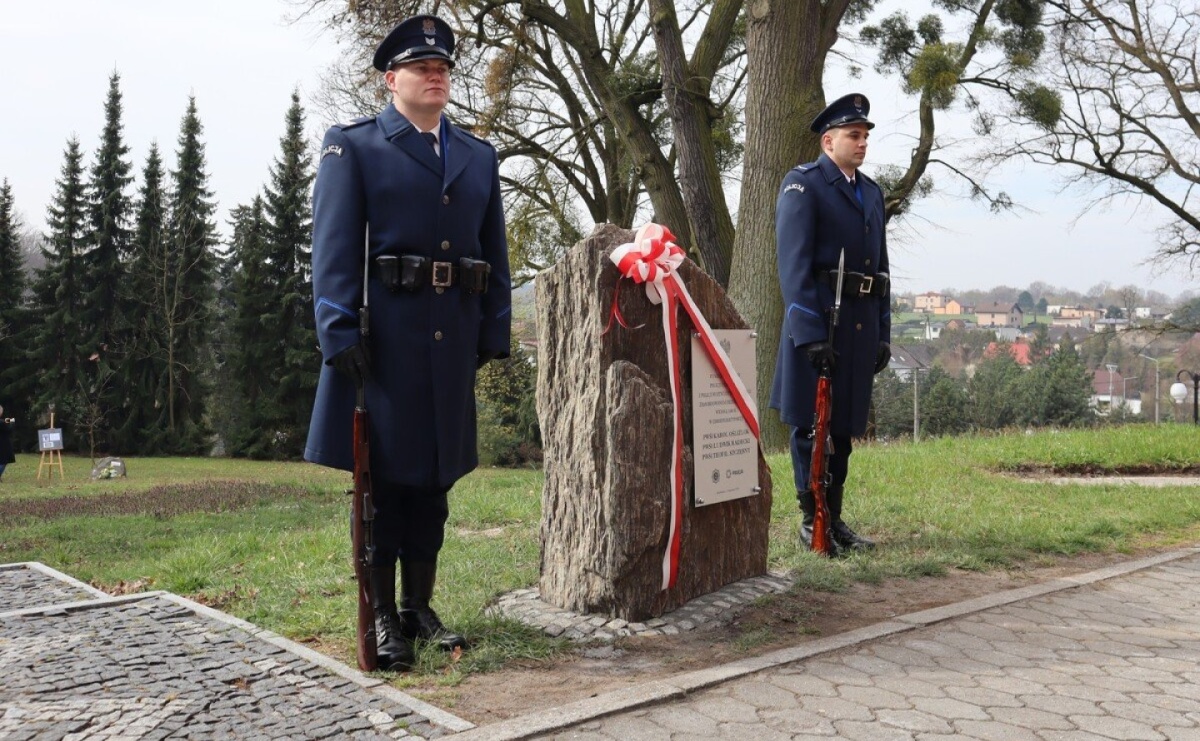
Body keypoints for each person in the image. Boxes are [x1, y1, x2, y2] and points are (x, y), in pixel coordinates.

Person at [303, 14, 512, 671]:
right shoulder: (355, 147)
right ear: (390, 79)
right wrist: (337, 327)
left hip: (449, 343)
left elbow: (493, 254)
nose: (436, 75)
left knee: (434, 480)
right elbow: (333, 247)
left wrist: (494, 329)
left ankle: (421, 608)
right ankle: (385, 616)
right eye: (422, 67)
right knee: (384, 486)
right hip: (383, 343)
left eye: (444, 67)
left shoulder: (477, 156)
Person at [769, 93, 891, 555]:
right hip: (820, 325)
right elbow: (793, 267)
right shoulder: (804, 186)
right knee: (810, 428)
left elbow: (881, 269)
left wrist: (883, 330)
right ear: (828, 141)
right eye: (854, 136)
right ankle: (810, 520)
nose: (862, 144)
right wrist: (810, 334)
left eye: (864, 137)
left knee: (841, 429)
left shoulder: (871, 192)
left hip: (858, 326)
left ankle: (834, 519)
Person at [0, 406, 15, 483]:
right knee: (4, 461)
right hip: (3, 444)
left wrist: (10, 420)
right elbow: (9, 430)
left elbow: (5, 421)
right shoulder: (2, 423)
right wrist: (12, 423)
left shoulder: (2, 421)